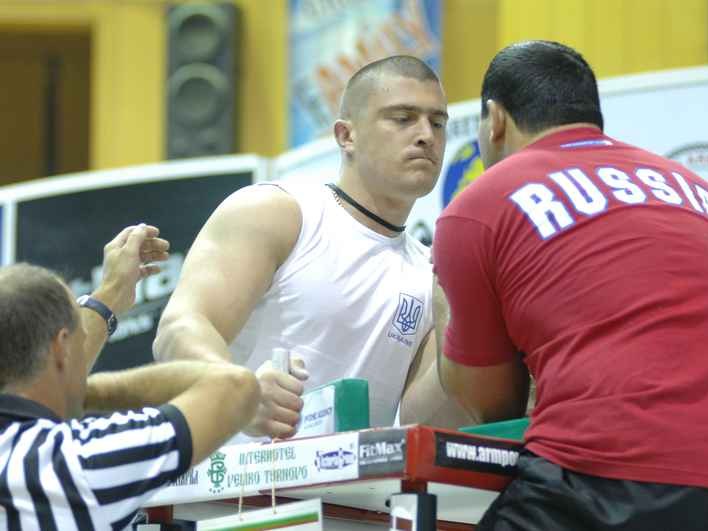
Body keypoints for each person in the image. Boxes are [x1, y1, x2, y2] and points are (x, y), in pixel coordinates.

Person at [432, 41, 708, 531]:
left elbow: (491, 405)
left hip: (606, 474)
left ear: (494, 120)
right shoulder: (697, 188)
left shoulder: (479, 204)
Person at [154, 55, 469, 440]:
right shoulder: (278, 212)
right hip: (230, 495)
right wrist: (238, 393)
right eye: (402, 118)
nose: (426, 135)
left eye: (437, 122)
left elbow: (419, 420)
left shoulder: (431, 272)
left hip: (356, 498)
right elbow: (177, 330)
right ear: (345, 135)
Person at [0, 225, 260, 529]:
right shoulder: (77, 461)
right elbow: (235, 387)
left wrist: (110, 292)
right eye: (78, 341)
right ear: (61, 349)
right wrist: (83, 392)